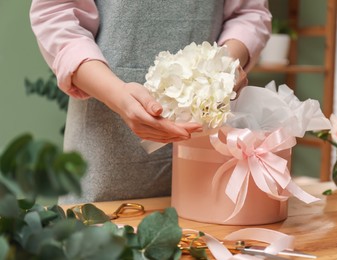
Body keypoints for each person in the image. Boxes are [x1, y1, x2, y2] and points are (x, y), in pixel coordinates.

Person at [29, 0, 272, 204]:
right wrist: (116, 93)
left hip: (208, 153)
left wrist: (221, 69)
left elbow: (249, 13)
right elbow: (56, 14)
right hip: (105, 152)